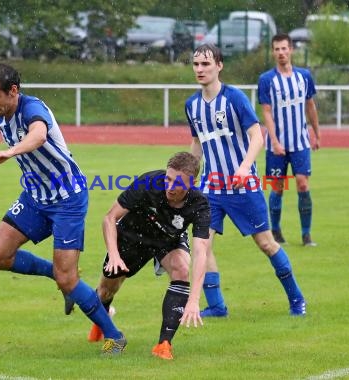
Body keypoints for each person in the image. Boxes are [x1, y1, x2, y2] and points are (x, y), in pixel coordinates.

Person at [0, 63, 126, 354]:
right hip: (35, 196)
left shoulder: (33, 109)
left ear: (13, 91)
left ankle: (114, 335)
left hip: (67, 199)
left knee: (68, 279)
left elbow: (38, 136)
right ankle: (56, 275)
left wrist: (9, 151)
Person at [186, 43, 306, 317]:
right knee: (202, 244)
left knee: (266, 243)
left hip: (244, 186)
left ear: (219, 65)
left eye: (206, 64)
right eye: (196, 64)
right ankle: (216, 305)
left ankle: (296, 298)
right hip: (210, 189)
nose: (200, 69)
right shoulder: (192, 105)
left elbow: (257, 136)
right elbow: (197, 143)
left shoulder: (235, 98)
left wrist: (244, 167)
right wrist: (187, 178)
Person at [83, 152, 210, 360]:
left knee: (182, 268)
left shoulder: (200, 204)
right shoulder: (150, 182)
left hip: (167, 240)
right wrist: (114, 255)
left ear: (192, 183)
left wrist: (194, 300)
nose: (170, 186)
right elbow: (109, 218)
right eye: (168, 179)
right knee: (106, 290)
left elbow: (201, 251)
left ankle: (163, 345)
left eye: (177, 183)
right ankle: (100, 323)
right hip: (132, 236)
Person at [258, 33, 321, 246]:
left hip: (300, 142)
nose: (281, 53)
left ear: (291, 50)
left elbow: (310, 106)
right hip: (276, 145)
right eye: (277, 49)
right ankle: (275, 231)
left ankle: (306, 234)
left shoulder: (304, 76)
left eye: (284, 48)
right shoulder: (266, 79)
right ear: (273, 52)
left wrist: (317, 133)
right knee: (277, 187)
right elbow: (266, 112)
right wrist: (274, 141)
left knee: (302, 185)